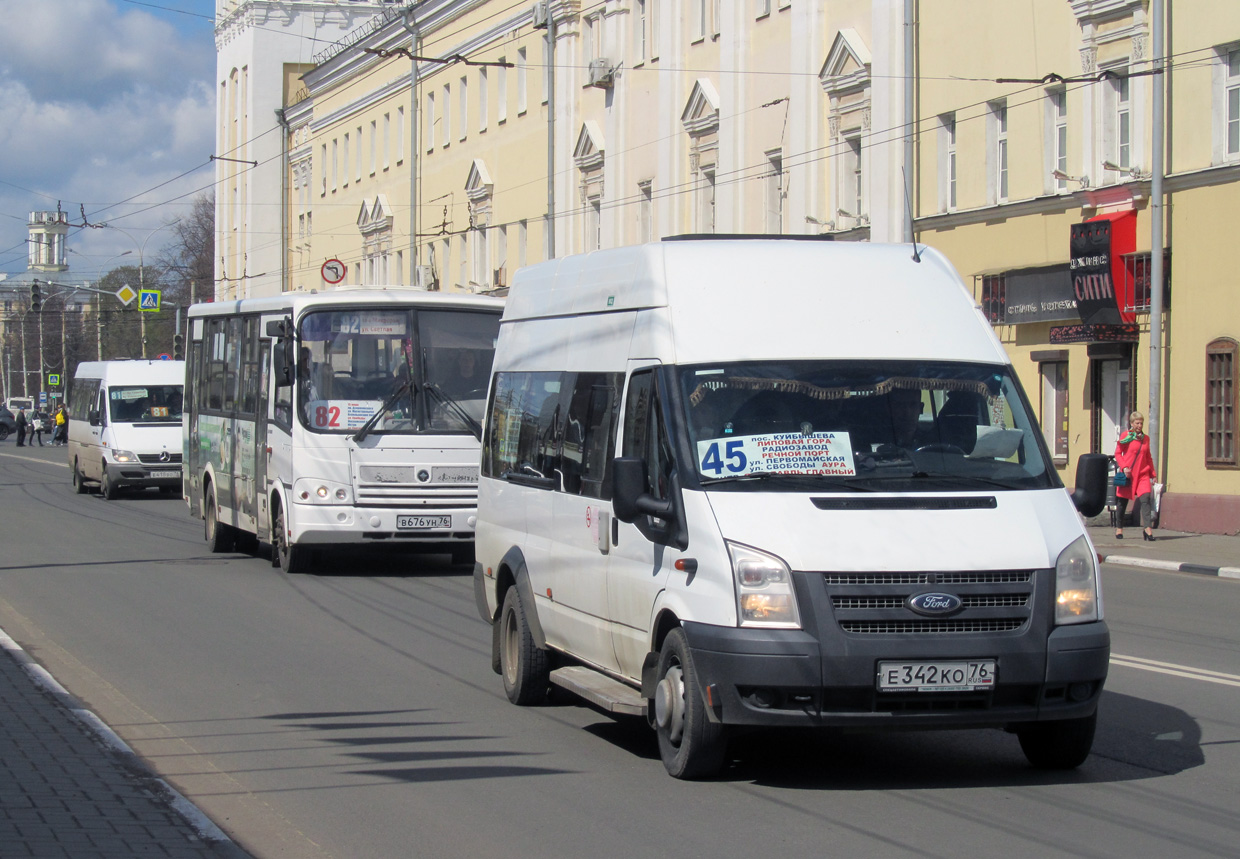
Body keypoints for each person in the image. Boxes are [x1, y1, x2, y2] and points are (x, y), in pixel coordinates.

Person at [1114, 410, 1157, 541]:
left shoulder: (1146, 439)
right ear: (1132, 423)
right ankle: (1119, 528)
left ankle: (1147, 529)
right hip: (1128, 475)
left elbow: (1148, 457)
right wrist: (1124, 467)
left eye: (1141, 423)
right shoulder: (1125, 436)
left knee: (1145, 500)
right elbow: (1117, 453)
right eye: (1137, 423)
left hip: (1143, 474)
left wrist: (1153, 474)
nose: (1139, 425)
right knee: (1122, 503)